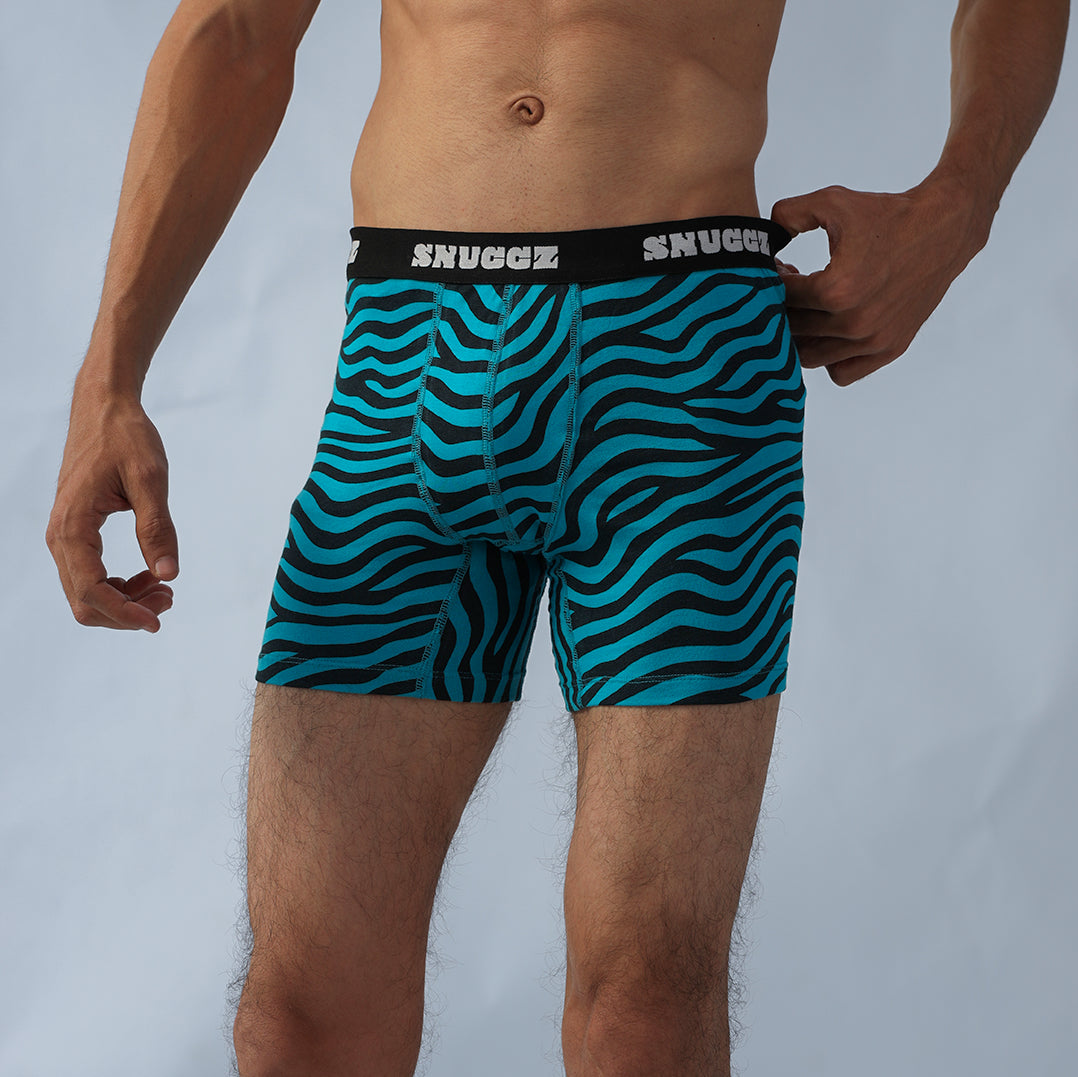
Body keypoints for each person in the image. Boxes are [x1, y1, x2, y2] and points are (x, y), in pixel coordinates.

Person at [45, 0, 1068, 1074]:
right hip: (408, 361)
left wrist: (959, 204)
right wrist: (108, 378)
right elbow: (236, 31)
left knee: (645, 1014)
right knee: (299, 1021)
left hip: (678, 369)